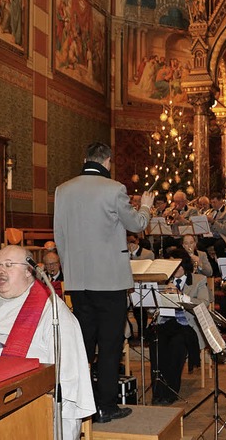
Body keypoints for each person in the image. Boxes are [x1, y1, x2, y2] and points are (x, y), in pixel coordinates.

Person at [54, 142, 154, 423]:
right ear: (108, 161)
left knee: (83, 344)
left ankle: (75, 403)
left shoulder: (63, 190)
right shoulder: (114, 189)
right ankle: (105, 406)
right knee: (109, 347)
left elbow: (59, 236)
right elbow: (135, 225)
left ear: (85, 159)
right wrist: (145, 207)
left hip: (77, 281)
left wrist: (70, 270)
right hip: (109, 282)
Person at [0, 245, 95, 440]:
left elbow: (68, 375)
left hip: (28, 404)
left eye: (8, 265)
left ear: (29, 272)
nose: (0, 271)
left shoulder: (52, 311)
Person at [149, 249, 210, 405]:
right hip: (165, 323)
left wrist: (182, 296)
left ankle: (170, 392)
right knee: (156, 342)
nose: (175, 269)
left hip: (186, 326)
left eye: (178, 265)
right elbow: (151, 309)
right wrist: (159, 300)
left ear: (185, 264)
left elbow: (204, 303)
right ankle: (158, 391)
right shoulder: (161, 282)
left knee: (177, 344)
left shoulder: (198, 279)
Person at [197, 192, 226, 258]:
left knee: (218, 245)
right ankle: (210, 262)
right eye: (211, 203)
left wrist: (213, 222)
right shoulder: (211, 211)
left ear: (221, 201)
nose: (213, 205)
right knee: (199, 244)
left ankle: (220, 264)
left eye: (215, 202)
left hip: (223, 237)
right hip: (212, 236)